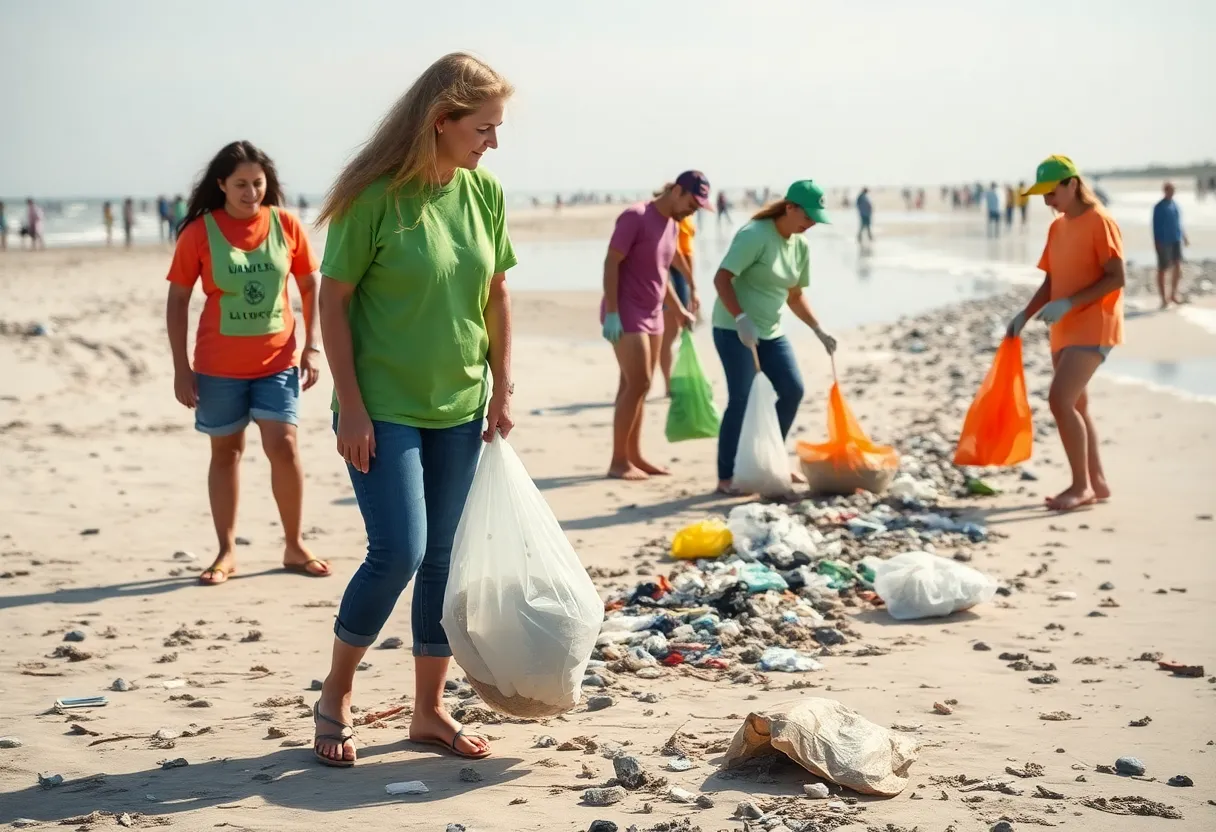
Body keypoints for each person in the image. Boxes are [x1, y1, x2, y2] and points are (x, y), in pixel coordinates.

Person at [311, 52, 516, 768]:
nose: (493, 142)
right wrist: (355, 410)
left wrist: (502, 386)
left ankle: (428, 711)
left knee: (443, 561)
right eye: (484, 128)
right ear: (442, 122)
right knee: (399, 549)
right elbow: (330, 303)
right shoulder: (373, 198)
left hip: (460, 403)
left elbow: (494, 294)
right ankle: (335, 696)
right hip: (383, 407)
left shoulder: (482, 193)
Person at [165, 140, 328, 587]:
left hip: (277, 360)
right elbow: (178, 300)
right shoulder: (199, 233)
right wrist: (182, 367)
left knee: (285, 445)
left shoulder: (286, 225)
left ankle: (294, 545)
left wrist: (312, 346)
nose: (251, 192)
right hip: (217, 367)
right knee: (226, 452)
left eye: (258, 183)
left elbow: (311, 287)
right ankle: (226, 550)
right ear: (221, 185)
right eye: (240, 184)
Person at [1007, 155, 1124, 512]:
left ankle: (1080, 486)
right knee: (1078, 404)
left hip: (1094, 322)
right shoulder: (1057, 227)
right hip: (1063, 327)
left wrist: (1070, 302)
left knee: (1060, 401)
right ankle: (1097, 481)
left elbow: (1116, 277)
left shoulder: (1099, 221)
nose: (1046, 201)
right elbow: (1051, 279)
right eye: (1041, 194)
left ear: (1072, 184)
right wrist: (1024, 315)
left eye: (1051, 192)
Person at [712, 180, 837, 495]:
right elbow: (722, 277)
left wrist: (818, 329)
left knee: (792, 390)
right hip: (733, 328)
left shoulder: (800, 245)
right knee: (741, 398)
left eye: (814, 220)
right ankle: (727, 475)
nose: (810, 225)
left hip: (771, 330)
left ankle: (772, 460)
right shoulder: (755, 235)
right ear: (790, 207)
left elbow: (794, 296)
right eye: (807, 217)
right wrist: (740, 318)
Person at [602, 173, 701, 479]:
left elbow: (663, 273)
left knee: (634, 386)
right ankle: (618, 462)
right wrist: (614, 312)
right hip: (626, 311)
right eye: (691, 202)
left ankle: (634, 456)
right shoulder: (637, 216)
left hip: (653, 313)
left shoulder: (672, 224)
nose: (692, 210)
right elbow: (611, 262)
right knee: (640, 382)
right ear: (677, 190)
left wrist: (680, 308)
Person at [658, 210, 699, 396]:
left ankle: (674, 380)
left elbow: (688, 251)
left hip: (683, 276)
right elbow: (674, 252)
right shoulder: (671, 219)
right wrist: (692, 283)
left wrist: (692, 284)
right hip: (674, 275)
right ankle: (667, 385)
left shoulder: (688, 217)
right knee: (670, 333)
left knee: (678, 331)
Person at [1152, 182, 1188, 308]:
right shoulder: (1159, 207)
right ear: (1165, 191)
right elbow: (1155, 225)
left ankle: (1173, 294)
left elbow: (1178, 223)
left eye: (1173, 190)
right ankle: (1163, 298)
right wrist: (1156, 242)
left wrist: (1184, 237)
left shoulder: (1175, 205)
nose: (1172, 192)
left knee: (1178, 266)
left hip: (1176, 240)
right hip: (1163, 241)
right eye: (1170, 190)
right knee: (1163, 268)